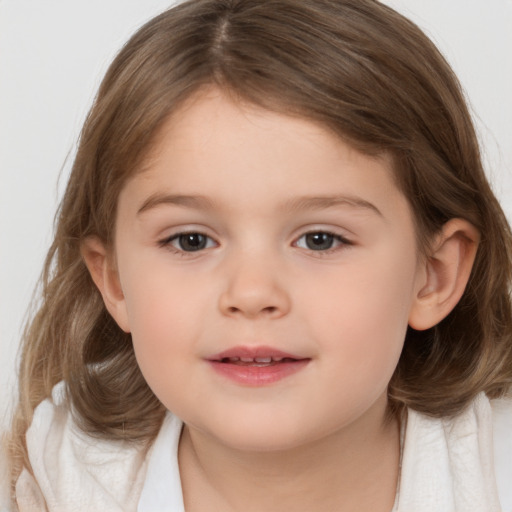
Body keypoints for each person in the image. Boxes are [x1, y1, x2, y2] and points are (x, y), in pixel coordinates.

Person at [3, 0, 512, 510]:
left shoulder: (497, 467)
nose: (251, 293)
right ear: (114, 280)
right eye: (190, 240)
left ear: (434, 276)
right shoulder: (50, 480)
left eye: (320, 239)